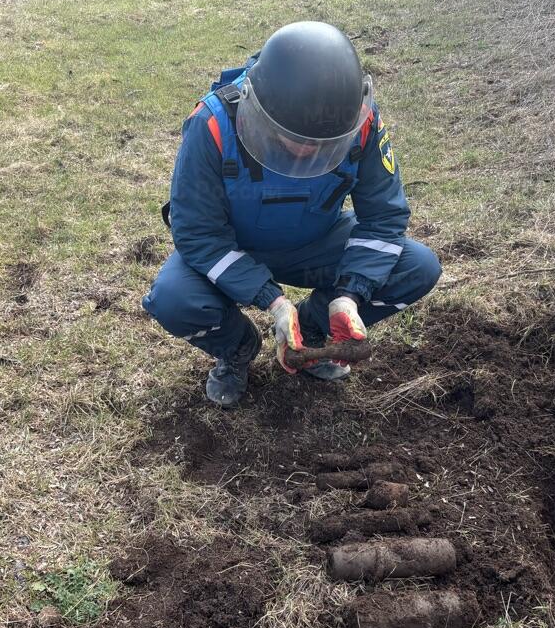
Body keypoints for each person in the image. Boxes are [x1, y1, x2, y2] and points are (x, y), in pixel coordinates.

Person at [142, 21, 441, 407]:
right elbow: (198, 233)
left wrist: (349, 295)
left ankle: (314, 330)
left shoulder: (360, 121)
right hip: (232, 246)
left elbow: (383, 217)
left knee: (417, 266)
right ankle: (237, 348)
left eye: (322, 146)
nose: (306, 154)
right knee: (173, 298)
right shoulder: (213, 124)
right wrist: (272, 301)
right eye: (294, 141)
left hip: (316, 243)